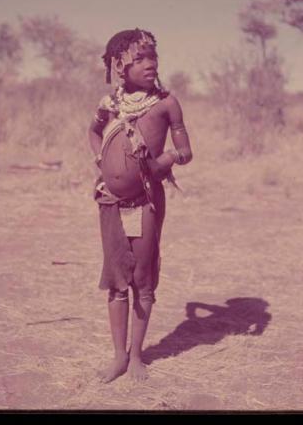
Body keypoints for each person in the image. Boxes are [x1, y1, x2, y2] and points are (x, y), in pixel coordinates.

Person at [88, 28, 193, 382]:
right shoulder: (110, 105)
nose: (151, 64)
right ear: (119, 65)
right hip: (111, 203)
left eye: (154, 58)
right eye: (140, 58)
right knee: (117, 282)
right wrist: (102, 163)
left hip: (146, 202)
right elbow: (92, 133)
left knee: (143, 281)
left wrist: (159, 163)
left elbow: (185, 151)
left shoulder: (166, 103)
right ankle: (118, 356)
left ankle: (137, 356)